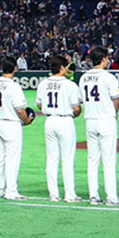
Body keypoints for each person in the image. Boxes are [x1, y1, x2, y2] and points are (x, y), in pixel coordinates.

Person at [78, 46, 119, 206]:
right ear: (103, 59)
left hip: (90, 120)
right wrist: (114, 113)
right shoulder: (108, 77)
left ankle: (94, 196)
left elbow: (81, 101)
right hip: (106, 119)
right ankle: (111, 197)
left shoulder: (83, 77)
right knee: (109, 159)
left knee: (92, 159)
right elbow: (116, 100)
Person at [36, 54, 83, 203]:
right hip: (65, 121)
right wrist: (74, 114)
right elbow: (77, 108)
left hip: (50, 121)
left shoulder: (43, 84)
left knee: (51, 159)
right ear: (62, 68)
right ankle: (70, 195)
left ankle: (53, 194)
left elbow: (39, 105)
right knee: (67, 159)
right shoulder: (70, 85)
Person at [0, 57, 33, 200]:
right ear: (15, 68)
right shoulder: (14, 86)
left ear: (2, 68)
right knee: (12, 159)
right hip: (11, 124)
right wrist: (26, 121)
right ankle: (11, 191)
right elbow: (20, 110)